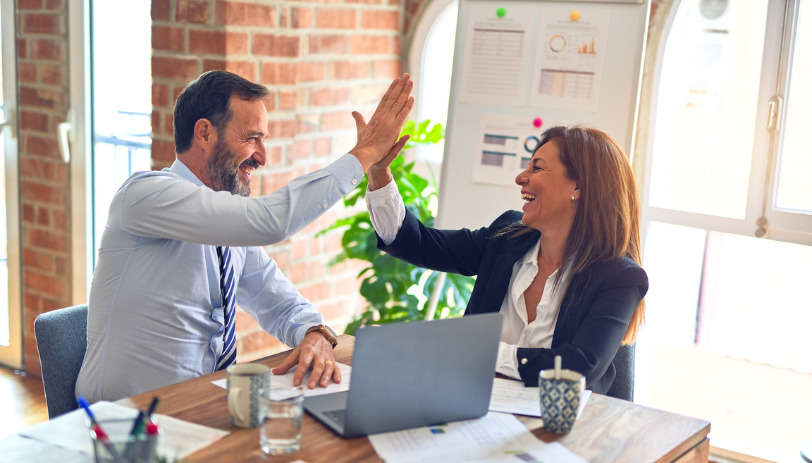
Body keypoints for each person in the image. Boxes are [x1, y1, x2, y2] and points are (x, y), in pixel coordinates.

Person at [76, 70, 414, 402]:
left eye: (263, 140)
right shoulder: (145, 195)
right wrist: (364, 154)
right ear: (205, 134)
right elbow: (271, 221)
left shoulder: (226, 226)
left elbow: (278, 300)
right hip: (124, 423)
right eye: (252, 137)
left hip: (200, 408)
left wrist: (315, 333)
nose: (262, 156)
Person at [365, 125, 647, 394]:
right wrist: (379, 173)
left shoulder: (619, 277)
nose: (521, 177)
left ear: (578, 187)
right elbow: (419, 244)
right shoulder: (506, 239)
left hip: (563, 429)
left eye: (536, 167)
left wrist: (482, 352)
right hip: (474, 408)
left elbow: (578, 368)